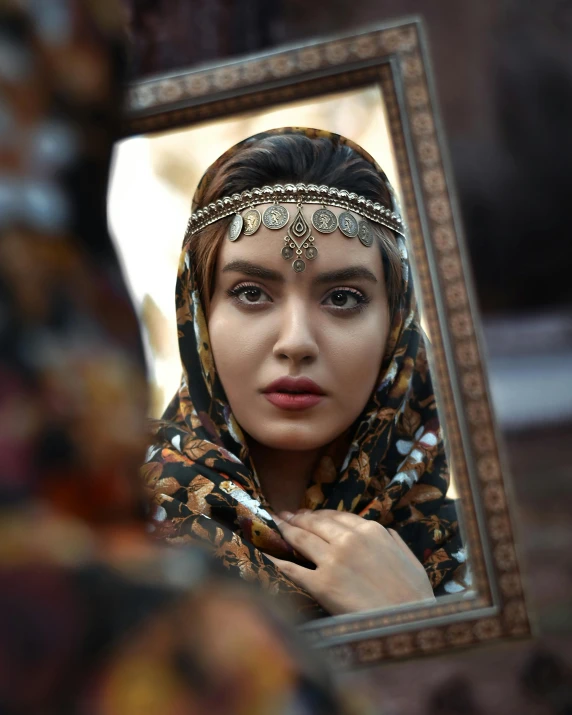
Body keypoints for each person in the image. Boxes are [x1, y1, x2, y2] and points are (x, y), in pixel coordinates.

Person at [143, 128, 466, 619]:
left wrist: (413, 618)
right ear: (199, 316)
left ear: (396, 328)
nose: (295, 341)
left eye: (342, 298)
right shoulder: (106, 523)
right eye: (251, 292)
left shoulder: (476, 555)